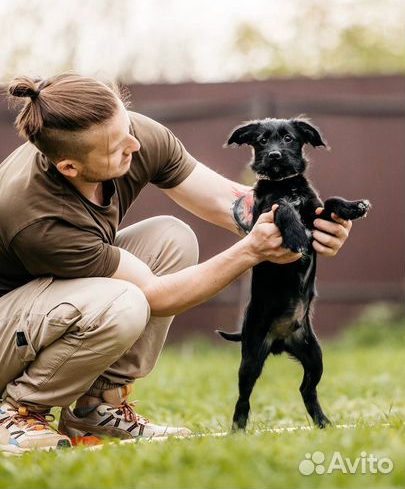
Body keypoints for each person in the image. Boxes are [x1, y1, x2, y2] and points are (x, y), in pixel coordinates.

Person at [0, 73, 352, 452]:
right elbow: (155, 296)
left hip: (42, 304)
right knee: (126, 303)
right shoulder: (38, 218)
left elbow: (228, 202)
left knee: (172, 237)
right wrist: (252, 250)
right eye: (118, 147)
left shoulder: (128, 136)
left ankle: (98, 407)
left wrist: (308, 221)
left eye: (128, 128)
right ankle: (17, 412)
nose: (134, 145)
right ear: (69, 167)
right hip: (8, 318)